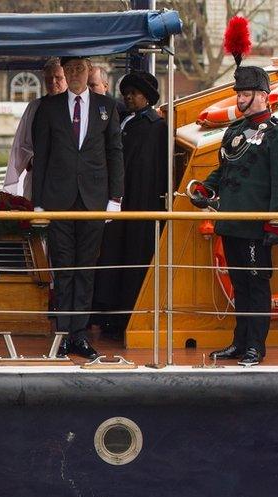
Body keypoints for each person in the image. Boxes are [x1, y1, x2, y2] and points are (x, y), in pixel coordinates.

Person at [191, 65, 278, 366]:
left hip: (256, 228)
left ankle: (255, 346)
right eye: (239, 93)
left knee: (256, 286)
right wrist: (205, 189)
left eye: (247, 94)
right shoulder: (235, 132)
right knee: (239, 285)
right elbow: (224, 169)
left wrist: (275, 227)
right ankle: (240, 342)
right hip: (231, 224)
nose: (241, 100)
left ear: (264, 96)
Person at [32, 56, 124, 360]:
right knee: (63, 268)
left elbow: (115, 154)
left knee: (86, 268)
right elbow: (41, 157)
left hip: (94, 200)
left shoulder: (106, 106)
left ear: (89, 72)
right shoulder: (48, 107)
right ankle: (62, 334)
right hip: (58, 199)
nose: (74, 74)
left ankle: (80, 335)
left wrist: (115, 199)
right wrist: (39, 204)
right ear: (63, 73)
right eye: (69, 70)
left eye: (79, 69)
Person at [92, 71, 167, 340]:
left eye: (134, 93)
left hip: (139, 203)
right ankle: (108, 311)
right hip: (121, 201)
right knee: (113, 256)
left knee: (132, 257)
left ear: (146, 96)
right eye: (127, 93)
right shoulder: (130, 122)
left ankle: (125, 315)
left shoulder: (154, 127)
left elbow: (150, 169)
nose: (129, 97)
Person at [2, 58, 66, 199]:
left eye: (58, 78)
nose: (53, 82)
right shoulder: (35, 107)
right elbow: (21, 144)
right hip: (38, 175)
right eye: (48, 78)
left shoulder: (76, 107)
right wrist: (31, 159)